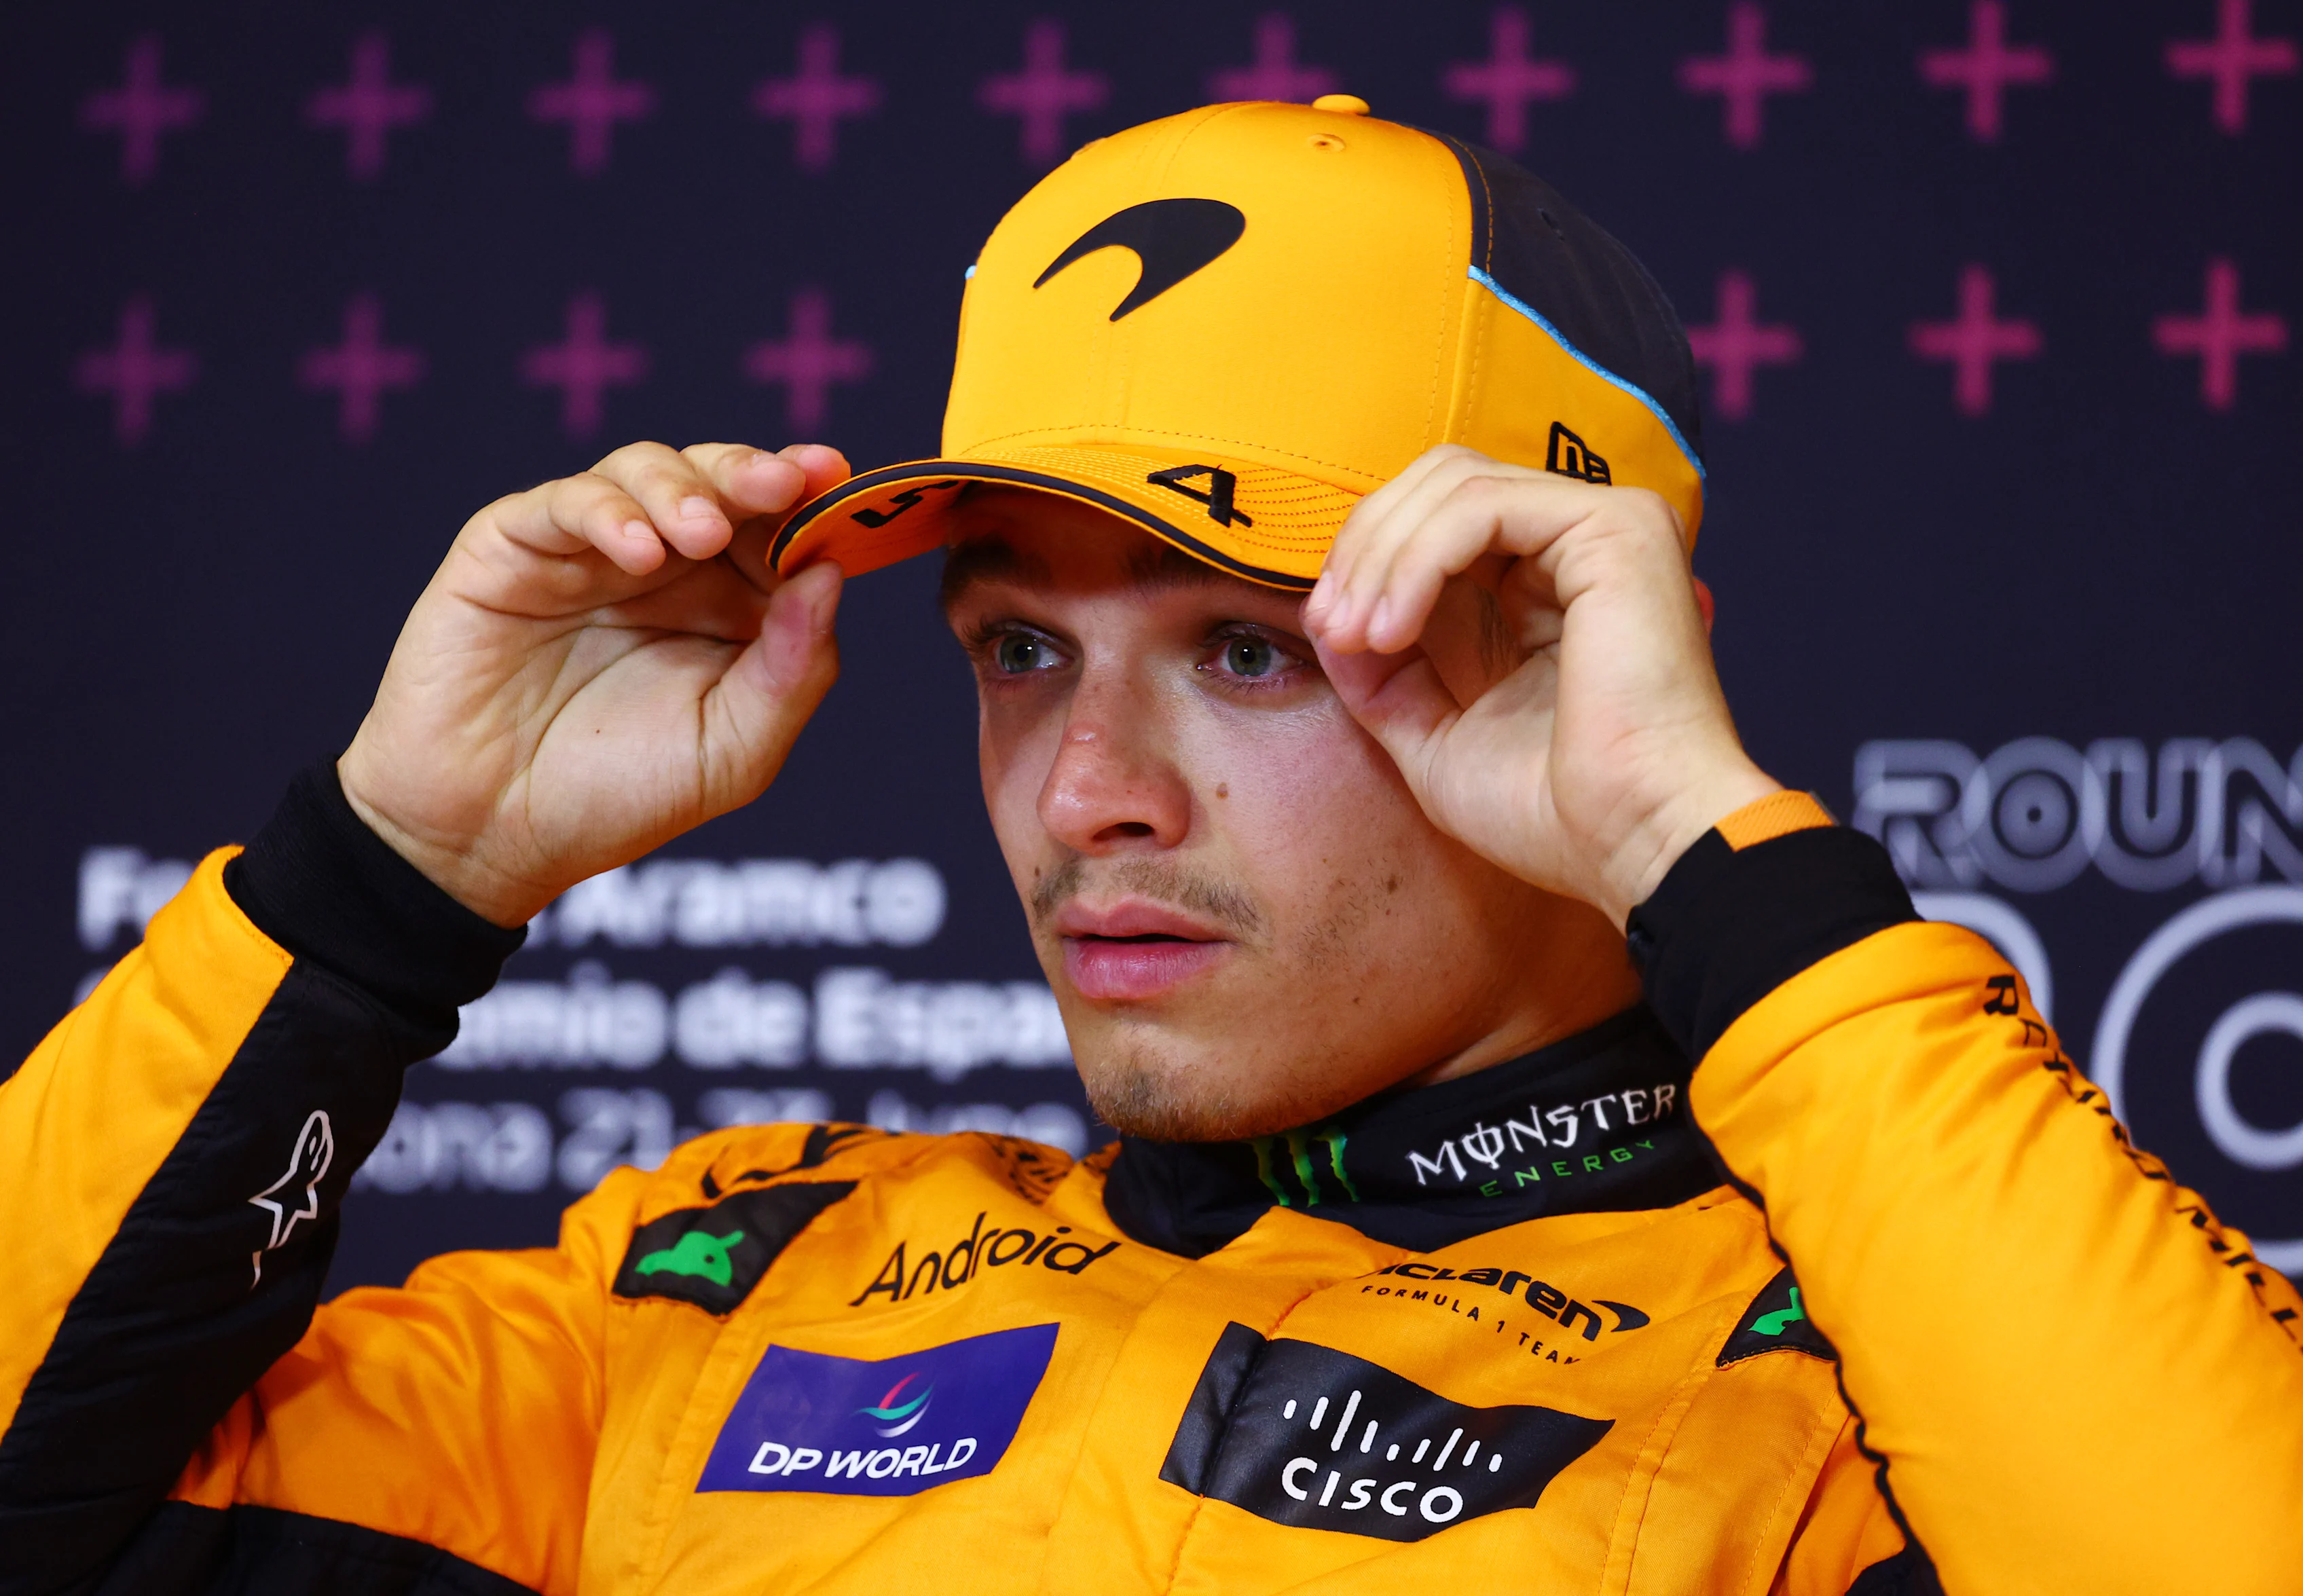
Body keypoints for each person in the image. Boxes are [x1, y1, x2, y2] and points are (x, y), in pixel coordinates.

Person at [1, 97, 2296, 1596]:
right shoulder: (714, 1291)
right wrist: (387, 877)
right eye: (1016, 654)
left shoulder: (1844, 1393)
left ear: (1591, 658)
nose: (1087, 788)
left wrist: (1709, 855)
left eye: (1254, 653)